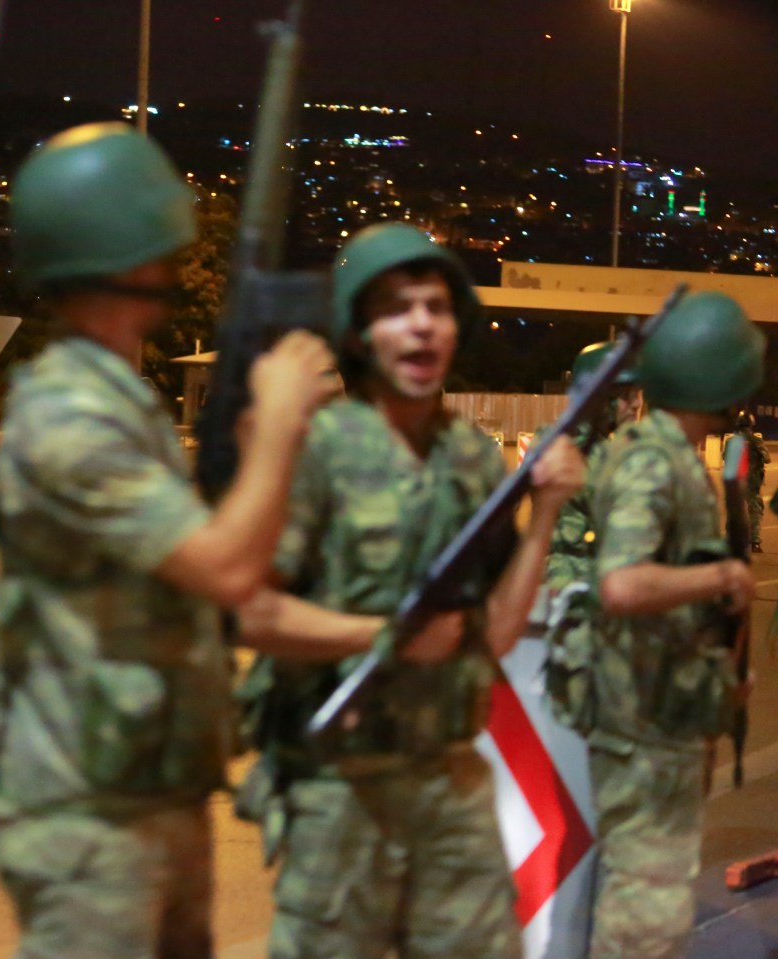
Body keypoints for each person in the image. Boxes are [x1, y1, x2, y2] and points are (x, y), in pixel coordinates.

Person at [0, 122, 338, 959]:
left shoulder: (120, 395)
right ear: (130, 255)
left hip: (151, 781)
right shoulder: (68, 411)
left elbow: (222, 567)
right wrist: (276, 421)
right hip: (86, 807)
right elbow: (225, 568)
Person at [233, 222, 584, 959]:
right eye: (397, 307)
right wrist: (381, 636)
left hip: (444, 773)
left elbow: (489, 633)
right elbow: (252, 610)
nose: (422, 322)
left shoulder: (469, 459)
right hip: (339, 786)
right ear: (359, 334)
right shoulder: (320, 446)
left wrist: (547, 509)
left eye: (437, 305)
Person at [584, 290, 763, 959]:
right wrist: (720, 578)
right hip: (645, 728)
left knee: (653, 901)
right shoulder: (653, 461)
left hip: (669, 714)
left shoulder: (674, 455)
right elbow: (621, 581)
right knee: (645, 916)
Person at [544, 340, 643, 729]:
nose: (636, 405)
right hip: (574, 609)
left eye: (637, 395)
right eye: (626, 396)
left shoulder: (607, 448)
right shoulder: (569, 449)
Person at [725, 409, 768, 553]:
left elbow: (726, 457)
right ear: (751, 423)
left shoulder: (731, 441)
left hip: (735, 481)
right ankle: (755, 542)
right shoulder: (756, 440)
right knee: (755, 510)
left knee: (734, 510)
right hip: (752, 482)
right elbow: (767, 458)